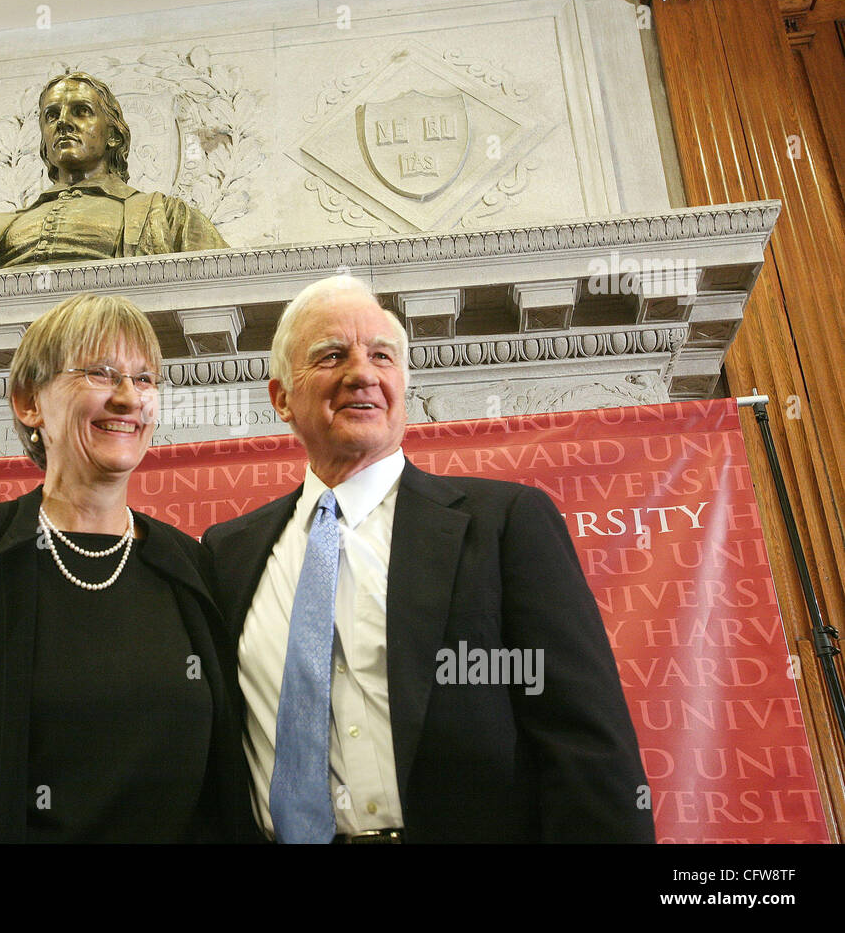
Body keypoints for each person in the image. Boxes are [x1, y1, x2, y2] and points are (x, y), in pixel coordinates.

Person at [202, 275, 655, 843]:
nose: (361, 372)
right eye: (331, 355)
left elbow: (589, 747)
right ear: (280, 398)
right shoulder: (227, 554)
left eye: (382, 356)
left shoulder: (503, 524)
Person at [0, 292, 249, 842]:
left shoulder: (190, 565)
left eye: (145, 380)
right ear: (29, 402)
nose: (127, 398)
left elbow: (225, 784)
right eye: (100, 373)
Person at [0, 71, 227, 273]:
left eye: (81, 111)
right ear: (45, 143)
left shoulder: (168, 217)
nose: (63, 122)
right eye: (51, 115)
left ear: (113, 135)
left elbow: (227, 279)